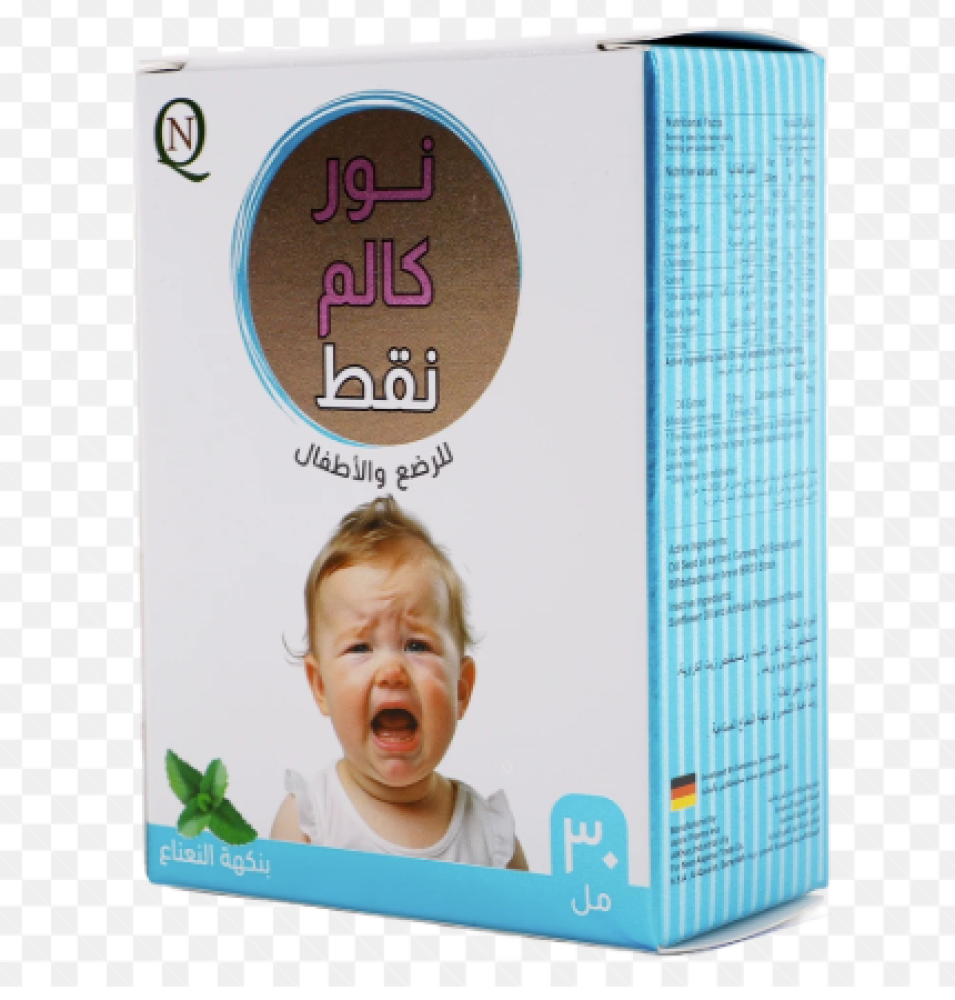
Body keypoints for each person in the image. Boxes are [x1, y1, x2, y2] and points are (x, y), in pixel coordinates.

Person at [271, 496, 528, 870]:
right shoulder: (310, 822)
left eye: (417, 645)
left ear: (461, 689)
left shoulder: (491, 839)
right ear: (321, 686)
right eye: (361, 647)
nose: (391, 671)